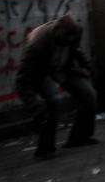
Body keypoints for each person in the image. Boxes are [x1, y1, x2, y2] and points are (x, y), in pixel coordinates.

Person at [15, 15, 97, 160]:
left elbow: (76, 51)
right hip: (41, 71)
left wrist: (87, 68)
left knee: (88, 94)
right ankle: (45, 149)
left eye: (71, 39)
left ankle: (79, 137)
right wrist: (33, 105)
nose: (68, 41)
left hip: (64, 68)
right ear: (57, 31)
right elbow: (23, 78)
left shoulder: (75, 31)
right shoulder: (37, 43)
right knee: (54, 101)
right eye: (65, 39)